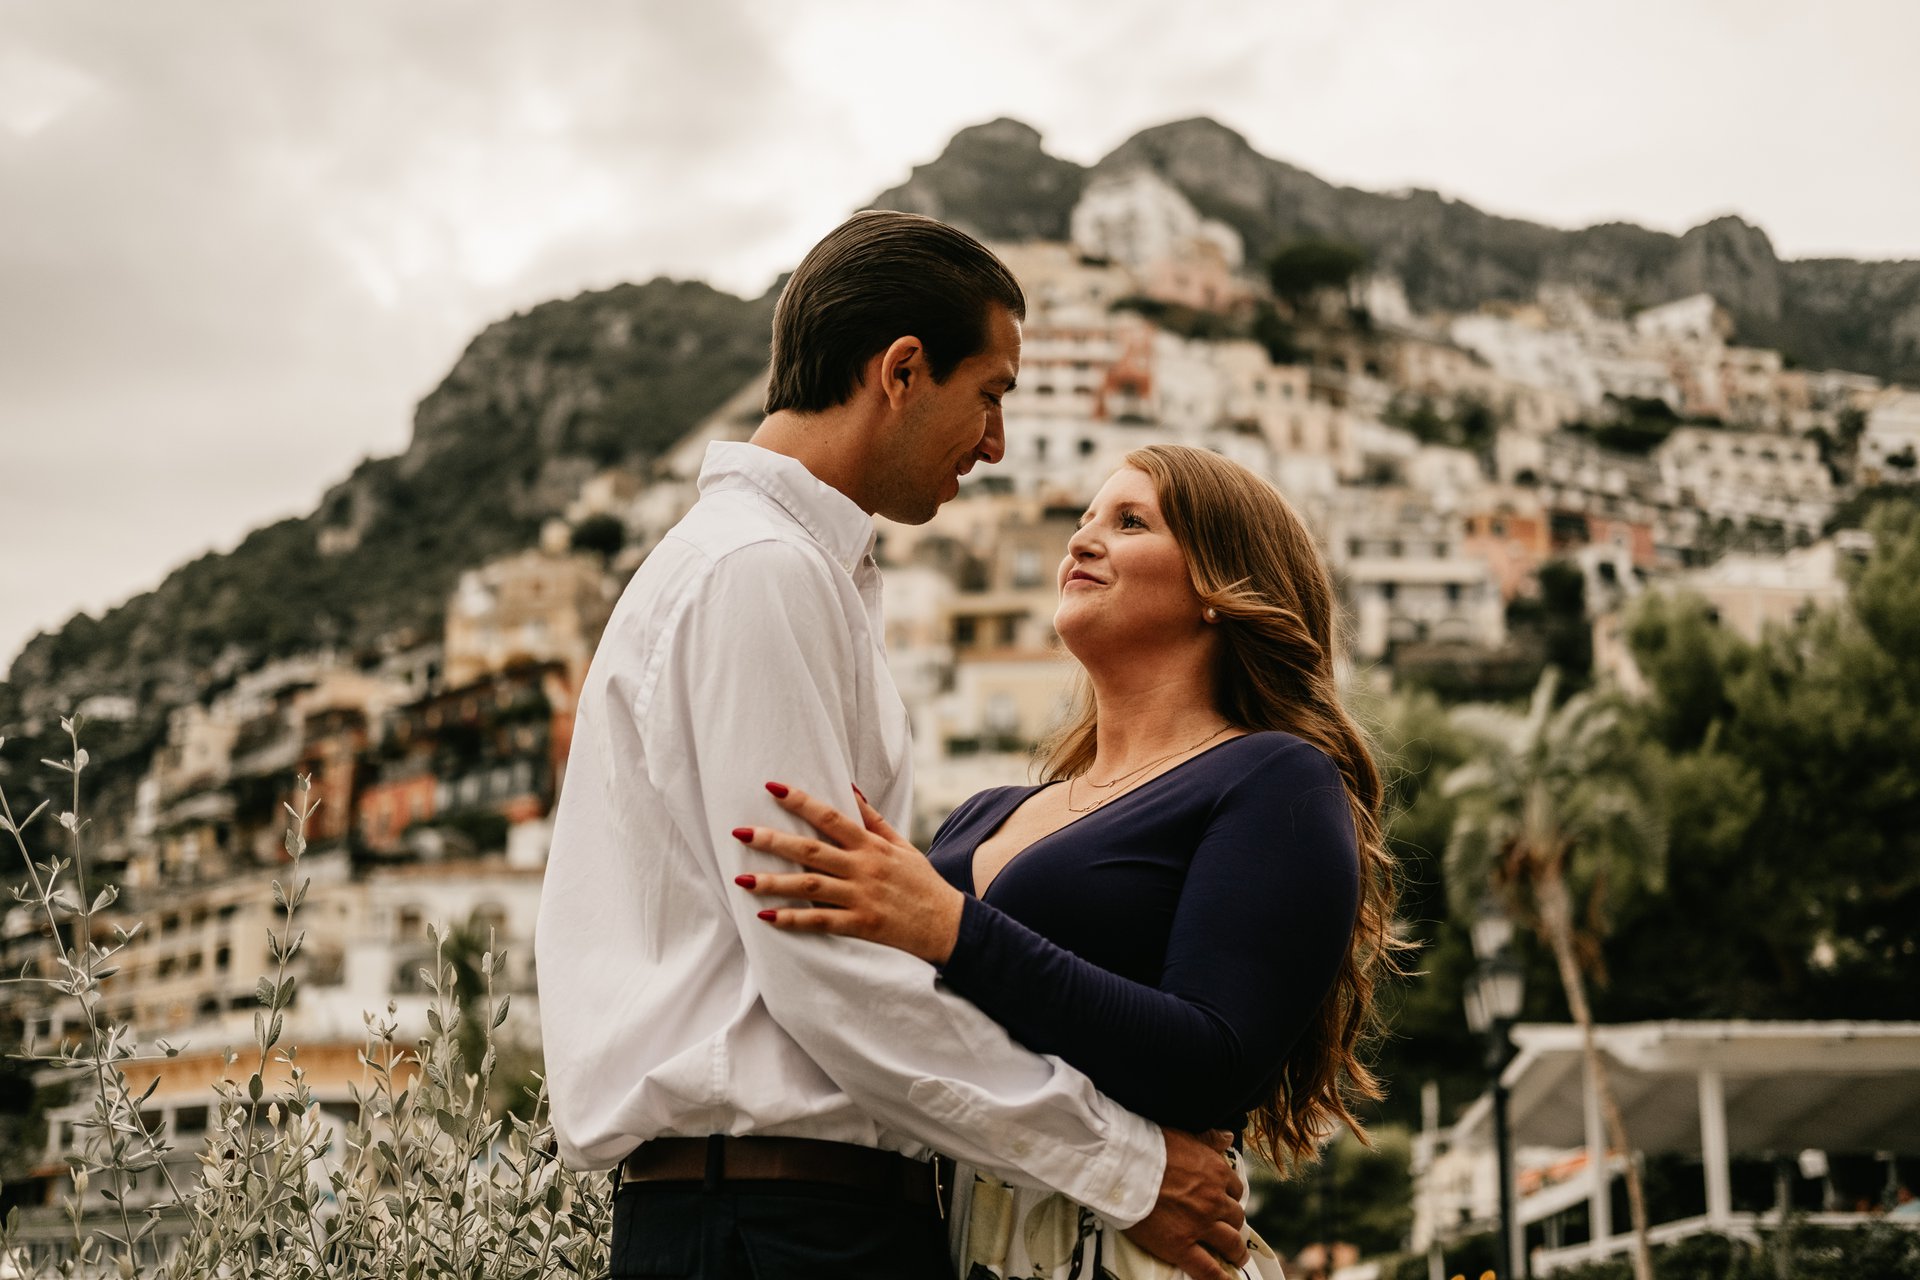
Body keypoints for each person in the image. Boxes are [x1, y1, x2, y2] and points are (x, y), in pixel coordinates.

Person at [536, 213, 1250, 1280]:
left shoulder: (775, 570)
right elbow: (826, 972)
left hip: (771, 1213)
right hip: (779, 1227)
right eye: (993, 393)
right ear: (904, 371)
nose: (999, 441)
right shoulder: (758, 574)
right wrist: (1126, 1165)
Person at [732, 444, 1400, 1278]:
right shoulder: (984, 816)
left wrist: (948, 926)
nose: (1081, 542)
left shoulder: (1274, 777)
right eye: (1084, 521)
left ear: (1221, 590)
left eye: (1129, 523)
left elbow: (1211, 1060)